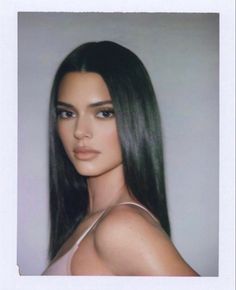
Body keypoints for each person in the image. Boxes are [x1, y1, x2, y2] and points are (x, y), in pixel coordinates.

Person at [42, 41, 198, 276]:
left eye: (104, 113)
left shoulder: (122, 227)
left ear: (134, 118)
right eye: (67, 113)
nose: (79, 131)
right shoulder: (89, 222)